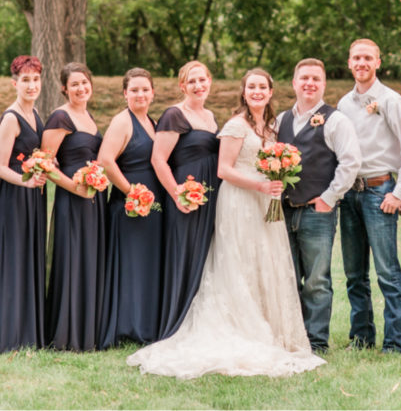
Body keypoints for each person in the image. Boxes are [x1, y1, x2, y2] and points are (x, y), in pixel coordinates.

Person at [127, 69, 325, 378]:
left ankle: (271, 328)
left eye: (262, 87)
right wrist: (260, 185)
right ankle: (241, 326)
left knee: (263, 260)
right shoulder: (235, 125)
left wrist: (276, 181)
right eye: (251, 86)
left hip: (263, 200)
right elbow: (223, 170)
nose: (257, 91)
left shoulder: (270, 127)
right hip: (240, 200)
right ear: (243, 92)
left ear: (271, 92)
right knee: (238, 262)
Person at [336, 38, 401, 353]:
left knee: (387, 270)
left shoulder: (391, 100)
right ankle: (361, 337)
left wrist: (400, 193)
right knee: (354, 273)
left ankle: (394, 341)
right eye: (356, 58)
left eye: (367, 58)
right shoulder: (343, 104)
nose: (362, 63)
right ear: (349, 62)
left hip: (380, 191)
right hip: (350, 194)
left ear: (378, 62)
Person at [276, 58, 360, 354]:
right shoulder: (281, 120)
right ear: (294, 83)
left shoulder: (336, 120)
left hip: (317, 213)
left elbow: (350, 163)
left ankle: (316, 341)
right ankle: (291, 337)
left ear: (323, 85)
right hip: (284, 211)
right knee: (287, 277)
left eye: (316, 79)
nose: (309, 83)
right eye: (304, 78)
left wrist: (329, 198)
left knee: (316, 280)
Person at [151, 60, 220, 339]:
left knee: (205, 257)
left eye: (202, 80)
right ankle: (177, 323)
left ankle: (201, 323)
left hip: (210, 197)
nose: (198, 85)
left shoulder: (211, 116)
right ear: (182, 86)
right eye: (191, 81)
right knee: (185, 255)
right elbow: (158, 159)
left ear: (209, 82)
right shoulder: (174, 115)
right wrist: (177, 194)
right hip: (185, 196)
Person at [97, 68, 165, 347]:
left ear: (153, 93)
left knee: (146, 263)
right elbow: (105, 160)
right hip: (129, 205)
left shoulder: (152, 122)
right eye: (134, 90)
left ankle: (146, 323)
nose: (140, 94)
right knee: (131, 264)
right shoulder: (122, 121)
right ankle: (127, 326)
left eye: (145, 89)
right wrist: (132, 192)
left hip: (152, 205)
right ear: (125, 93)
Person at [0, 55, 51, 353]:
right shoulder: (11, 118)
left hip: (34, 196)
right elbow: (0, 167)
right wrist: (25, 182)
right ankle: (10, 334)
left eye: (35, 79)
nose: (31, 85)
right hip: (15, 197)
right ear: (15, 83)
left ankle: (30, 330)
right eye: (25, 80)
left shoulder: (35, 113)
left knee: (30, 256)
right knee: (14, 258)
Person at [42, 63, 105, 351]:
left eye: (84, 82)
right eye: (75, 84)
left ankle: (88, 328)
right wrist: (75, 188)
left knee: (89, 259)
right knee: (72, 259)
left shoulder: (88, 117)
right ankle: (67, 332)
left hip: (94, 199)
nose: (81, 88)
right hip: (72, 199)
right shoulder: (60, 117)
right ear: (64, 88)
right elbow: (44, 164)